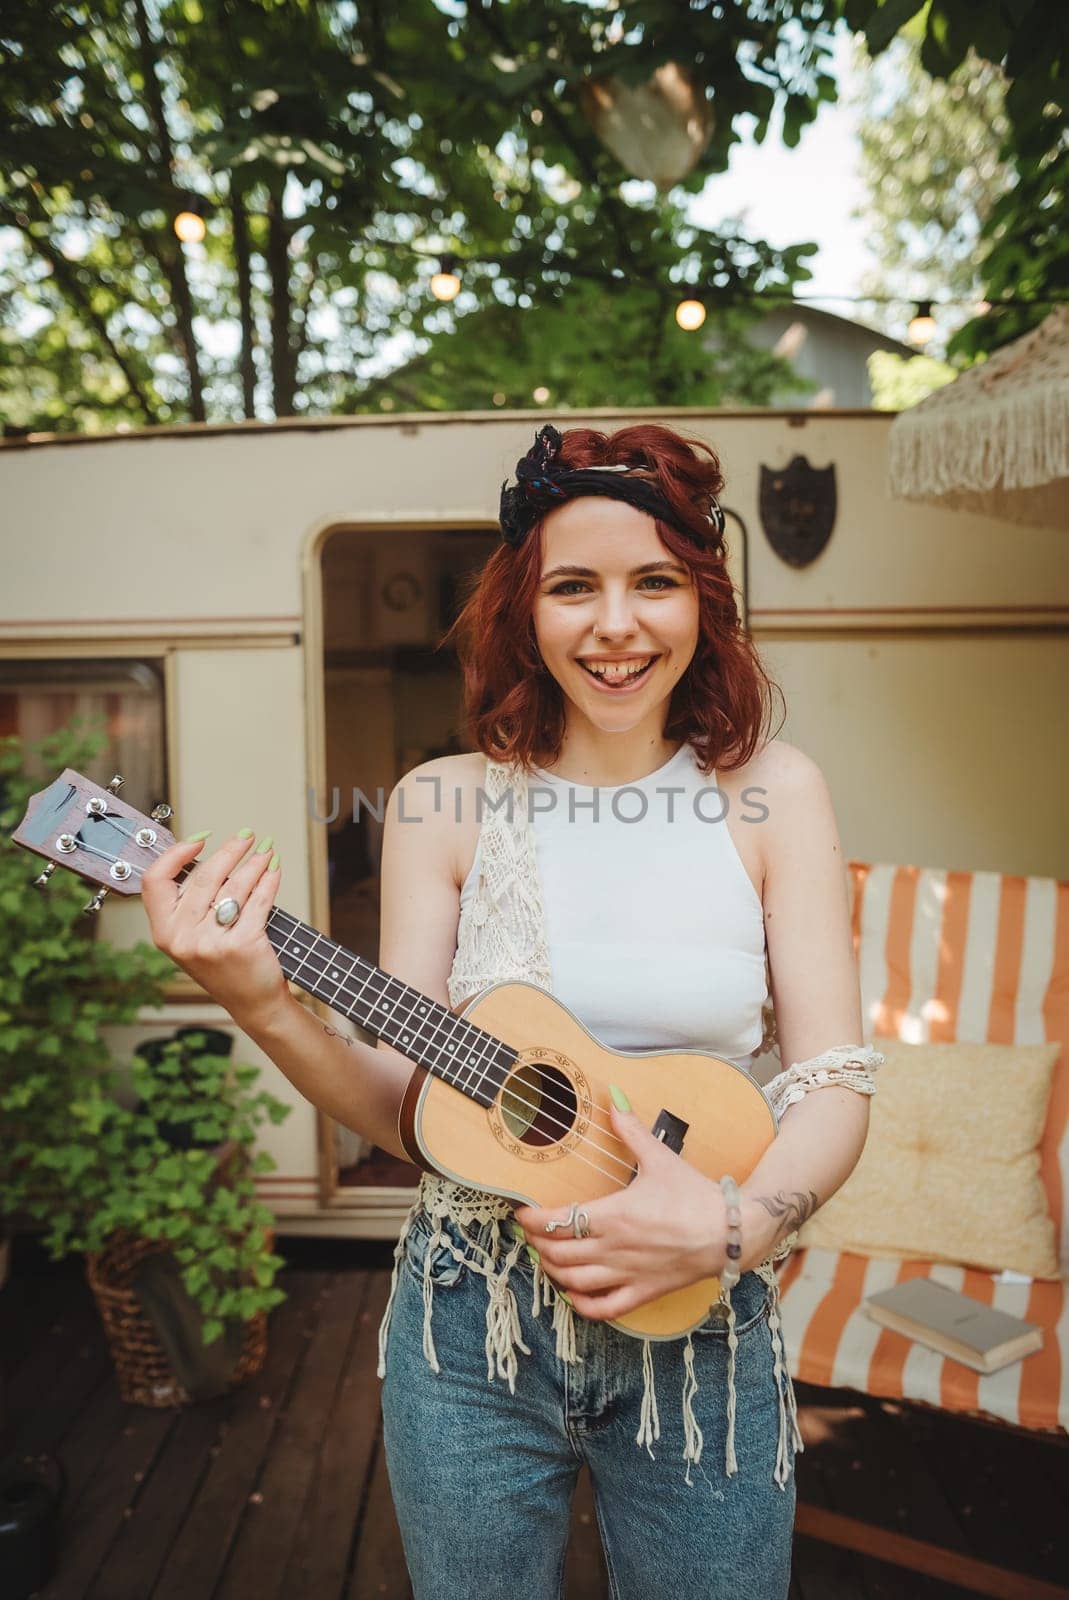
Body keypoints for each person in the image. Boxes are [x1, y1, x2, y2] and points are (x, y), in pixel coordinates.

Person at [142, 421, 883, 1600]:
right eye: (572, 587)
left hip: (704, 1312)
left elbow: (834, 1082)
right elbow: (406, 1107)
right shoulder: (442, 801)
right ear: (523, 612)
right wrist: (261, 1004)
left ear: (705, 600)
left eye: (654, 582)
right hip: (471, 1320)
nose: (615, 625)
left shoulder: (773, 794)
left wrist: (736, 1228)